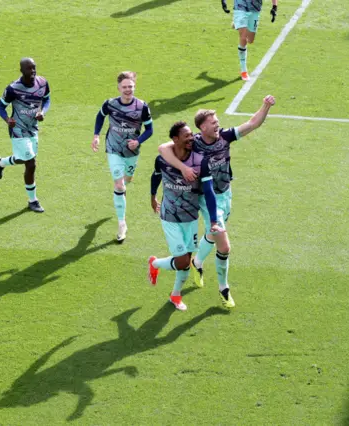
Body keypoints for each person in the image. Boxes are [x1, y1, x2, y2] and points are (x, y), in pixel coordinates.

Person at [158, 95, 275, 307]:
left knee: (212, 234)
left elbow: (252, 123)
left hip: (226, 193)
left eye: (217, 121)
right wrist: (183, 167)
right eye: (213, 123)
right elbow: (163, 149)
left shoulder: (225, 137)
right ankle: (224, 288)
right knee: (224, 245)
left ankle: (198, 262)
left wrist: (265, 106)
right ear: (202, 127)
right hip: (206, 198)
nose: (217, 125)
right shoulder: (193, 142)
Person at [148, 121, 223, 311]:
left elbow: (208, 191)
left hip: (190, 216)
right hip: (170, 216)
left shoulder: (200, 161)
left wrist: (213, 221)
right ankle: (155, 263)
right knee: (182, 262)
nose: (191, 138)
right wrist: (153, 196)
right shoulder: (162, 159)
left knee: (186, 264)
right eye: (186, 135)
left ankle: (175, 295)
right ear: (175, 139)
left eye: (192, 134)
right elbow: (156, 176)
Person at [92, 71, 153, 243]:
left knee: (127, 180)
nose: (128, 90)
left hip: (131, 153)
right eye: (124, 87)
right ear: (119, 88)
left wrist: (138, 141)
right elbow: (100, 116)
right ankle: (122, 223)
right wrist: (96, 135)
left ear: (134, 87)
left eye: (130, 87)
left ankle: (122, 190)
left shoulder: (142, 107)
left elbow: (150, 130)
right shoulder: (110, 104)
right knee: (119, 185)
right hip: (113, 149)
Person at [0, 58, 51, 213]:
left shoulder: (43, 83)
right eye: (29, 69)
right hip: (18, 129)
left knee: (22, 159)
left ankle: (1, 163)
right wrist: (7, 119)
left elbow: (47, 100)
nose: (32, 72)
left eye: (34, 68)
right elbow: (0, 106)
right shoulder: (13, 89)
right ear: (21, 70)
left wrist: (42, 112)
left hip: (32, 128)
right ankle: (33, 201)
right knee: (31, 163)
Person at [230, 0, 278, 81]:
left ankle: (237, 23)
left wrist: (274, 7)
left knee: (250, 40)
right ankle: (244, 71)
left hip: (255, 9)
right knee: (243, 38)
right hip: (240, 6)